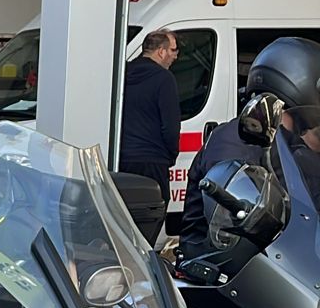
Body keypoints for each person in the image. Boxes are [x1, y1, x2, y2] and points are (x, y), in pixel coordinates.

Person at [181, 35, 320, 262]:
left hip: (277, 261)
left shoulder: (286, 141)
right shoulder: (237, 140)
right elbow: (233, 211)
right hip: (221, 265)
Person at [119, 27, 181, 201]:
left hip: (121, 160)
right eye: (173, 50)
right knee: (152, 212)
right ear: (161, 52)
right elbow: (170, 127)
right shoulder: (164, 79)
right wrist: (170, 155)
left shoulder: (122, 74)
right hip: (153, 161)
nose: (175, 56)